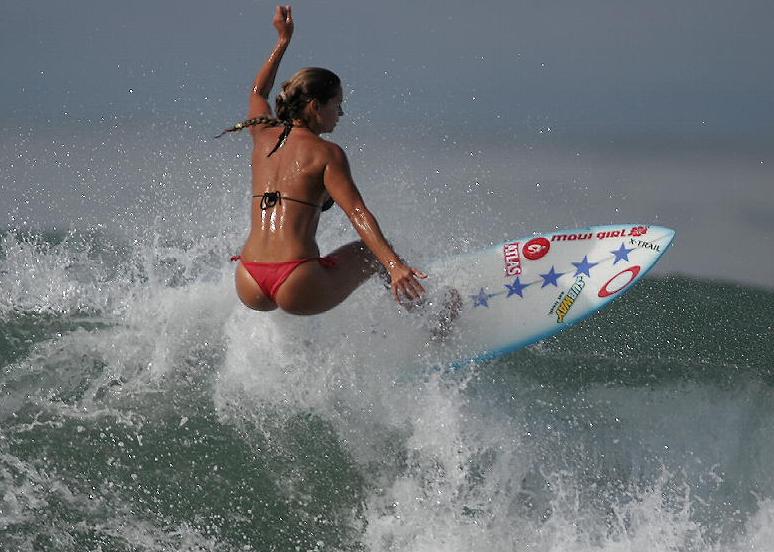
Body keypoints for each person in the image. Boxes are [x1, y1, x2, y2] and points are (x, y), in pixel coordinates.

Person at [218, 5, 427, 315]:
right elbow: (357, 212)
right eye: (337, 105)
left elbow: (258, 90)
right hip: (296, 279)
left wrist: (283, 40)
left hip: (248, 278)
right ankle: (435, 320)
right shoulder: (327, 153)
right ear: (316, 106)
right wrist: (394, 265)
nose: (340, 114)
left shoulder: (262, 135)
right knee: (374, 255)